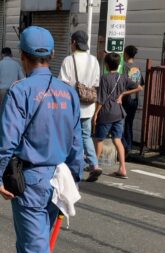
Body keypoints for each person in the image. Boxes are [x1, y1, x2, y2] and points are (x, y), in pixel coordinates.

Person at [0, 26, 83, 253]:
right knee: (35, 242)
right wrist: (74, 180)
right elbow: (77, 144)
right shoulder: (69, 93)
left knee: (34, 247)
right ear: (53, 55)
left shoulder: (21, 91)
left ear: (23, 57)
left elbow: (5, 142)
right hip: (59, 177)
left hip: (27, 180)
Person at [59, 30, 103, 182]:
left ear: (74, 43)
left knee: (69, 136)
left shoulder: (68, 60)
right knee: (86, 135)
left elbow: (63, 85)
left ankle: (73, 165)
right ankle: (94, 164)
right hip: (88, 105)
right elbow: (96, 84)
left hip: (71, 106)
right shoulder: (94, 61)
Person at [94, 52, 143, 179]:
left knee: (99, 139)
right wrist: (122, 94)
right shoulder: (123, 77)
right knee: (117, 139)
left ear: (106, 65)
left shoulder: (104, 78)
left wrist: (95, 113)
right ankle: (122, 168)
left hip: (106, 112)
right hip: (119, 113)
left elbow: (101, 99)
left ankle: (95, 165)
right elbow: (139, 88)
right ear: (118, 64)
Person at [122, 45, 144, 154]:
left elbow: (122, 84)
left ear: (125, 54)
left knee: (122, 124)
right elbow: (142, 84)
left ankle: (126, 147)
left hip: (126, 98)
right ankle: (129, 146)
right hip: (135, 100)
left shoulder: (125, 68)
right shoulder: (137, 68)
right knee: (129, 123)